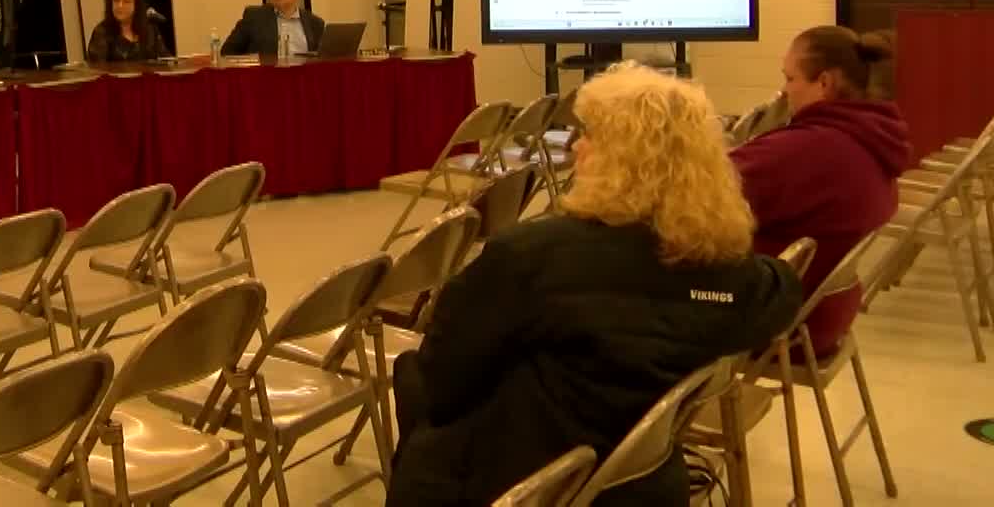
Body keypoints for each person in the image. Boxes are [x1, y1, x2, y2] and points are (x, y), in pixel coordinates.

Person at [389, 64, 802, 506]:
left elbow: (442, 381)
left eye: (590, 136)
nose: (577, 147)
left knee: (411, 372)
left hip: (533, 479)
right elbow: (782, 289)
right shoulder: (727, 271)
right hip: (641, 477)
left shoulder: (531, 256)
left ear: (620, 161)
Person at [732, 27, 909, 356]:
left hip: (780, 322)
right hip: (824, 314)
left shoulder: (804, 150)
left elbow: (697, 192)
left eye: (790, 79)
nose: (784, 92)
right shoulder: (873, 137)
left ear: (824, 83)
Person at [221, 0, 325, 57]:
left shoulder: (315, 23)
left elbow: (322, 57)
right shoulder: (254, 17)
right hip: (265, 72)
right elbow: (227, 52)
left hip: (303, 73)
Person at [86, 0, 170, 64]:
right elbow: (97, 67)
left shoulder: (150, 29)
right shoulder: (102, 31)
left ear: (136, 5)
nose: (120, 6)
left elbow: (166, 60)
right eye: (116, 1)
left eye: (126, 1)